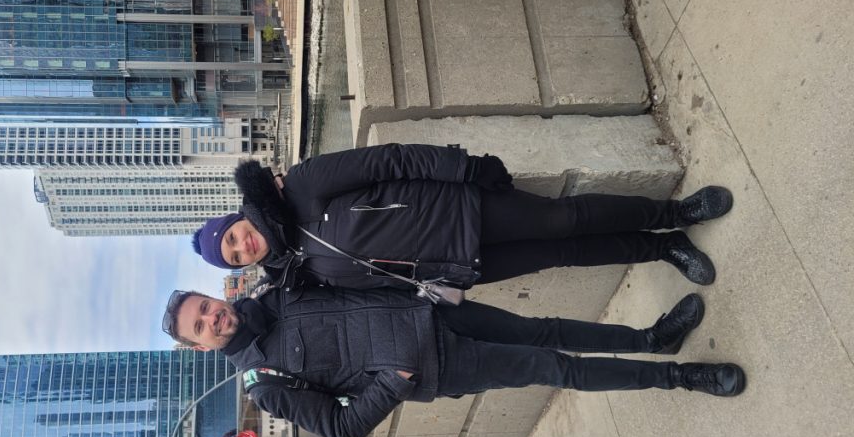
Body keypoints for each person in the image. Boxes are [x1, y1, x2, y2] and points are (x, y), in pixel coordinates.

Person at [161, 286, 746, 437]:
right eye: (200, 326)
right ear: (203, 347)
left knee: (545, 328)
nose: (212, 319)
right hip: (437, 366)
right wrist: (395, 381)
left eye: (205, 308)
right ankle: (679, 377)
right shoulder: (265, 385)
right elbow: (341, 428)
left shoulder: (273, 290)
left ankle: (653, 338)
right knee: (554, 367)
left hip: (434, 313)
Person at [191, 143, 733, 291]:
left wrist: (465, 167)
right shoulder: (299, 269)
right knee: (563, 256)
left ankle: (676, 212)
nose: (244, 248)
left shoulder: (304, 184)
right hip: (455, 268)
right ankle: (665, 249)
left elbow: (389, 159)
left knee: (564, 220)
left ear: (238, 218)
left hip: (461, 210)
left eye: (234, 237)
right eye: (235, 257)